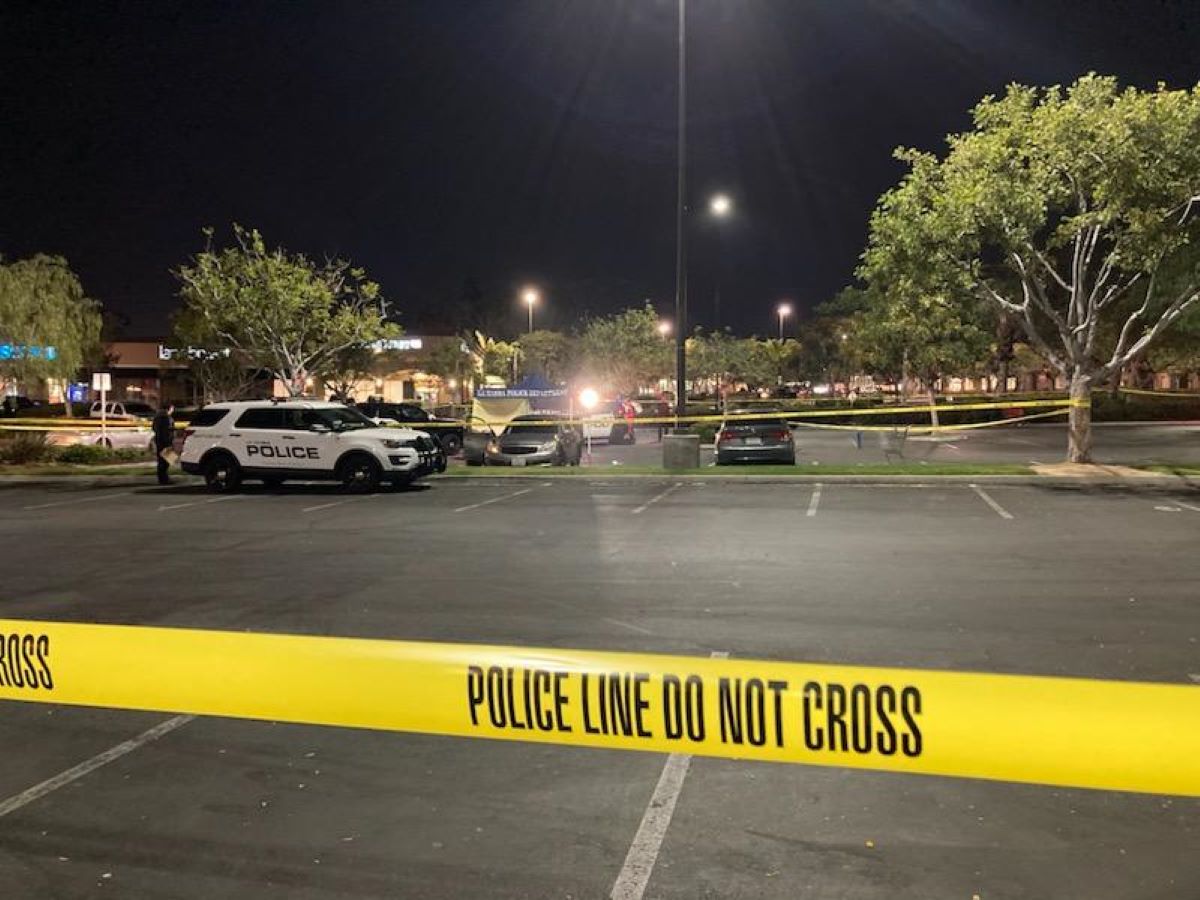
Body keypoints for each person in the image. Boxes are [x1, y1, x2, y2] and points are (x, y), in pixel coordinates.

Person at [152, 403, 175, 486]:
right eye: (172, 408)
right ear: (169, 409)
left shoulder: (157, 417)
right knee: (166, 461)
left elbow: (154, 428)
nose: (173, 410)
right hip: (165, 441)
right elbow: (167, 430)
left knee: (164, 460)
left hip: (159, 441)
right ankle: (164, 479)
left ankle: (163, 478)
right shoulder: (166, 418)